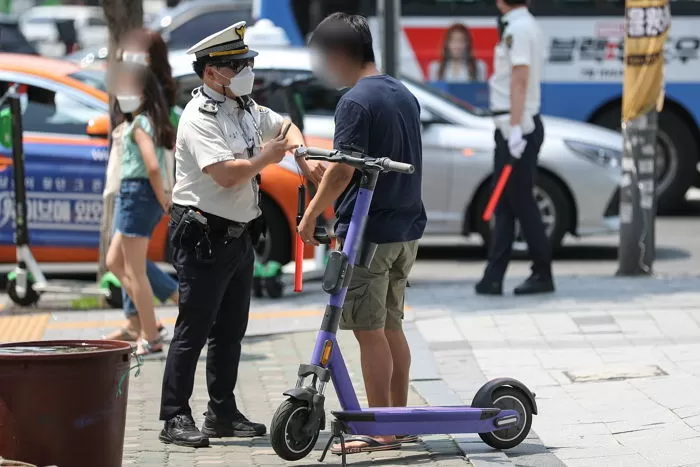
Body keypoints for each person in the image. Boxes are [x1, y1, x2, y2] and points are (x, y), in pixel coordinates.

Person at [158, 21, 324, 448]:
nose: (246, 70)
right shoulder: (199, 117)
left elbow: (285, 127)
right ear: (212, 72)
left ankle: (222, 411)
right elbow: (226, 175)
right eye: (237, 65)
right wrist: (266, 159)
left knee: (231, 329)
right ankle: (175, 416)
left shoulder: (244, 107)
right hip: (203, 235)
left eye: (247, 62)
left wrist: (301, 156)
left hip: (239, 235)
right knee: (192, 329)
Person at [298, 13, 427, 455]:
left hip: (369, 234)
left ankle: (381, 429)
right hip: (405, 229)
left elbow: (344, 169)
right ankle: (397, 420)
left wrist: (311, 213)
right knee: (391, 326)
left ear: (338, 55)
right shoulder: (401, 92)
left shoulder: (355, 102)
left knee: (368, 331)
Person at [475, 0, 555, 296]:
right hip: (513, 126)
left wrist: (518, 128)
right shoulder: (523, 25)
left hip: (516, 127)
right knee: (506, 205)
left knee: (522, 203)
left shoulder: (518, 28)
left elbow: (519, 79)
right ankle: (493, 276)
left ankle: (542, 272)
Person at [105, 29, 180, 342]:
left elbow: (152, 164)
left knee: (134, 269)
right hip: (135, 193)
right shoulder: (144, 117)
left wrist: (163, 195)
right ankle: (145, 320)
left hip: (138, 193)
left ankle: (149, 333)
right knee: (115, 261)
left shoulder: (141, 121)